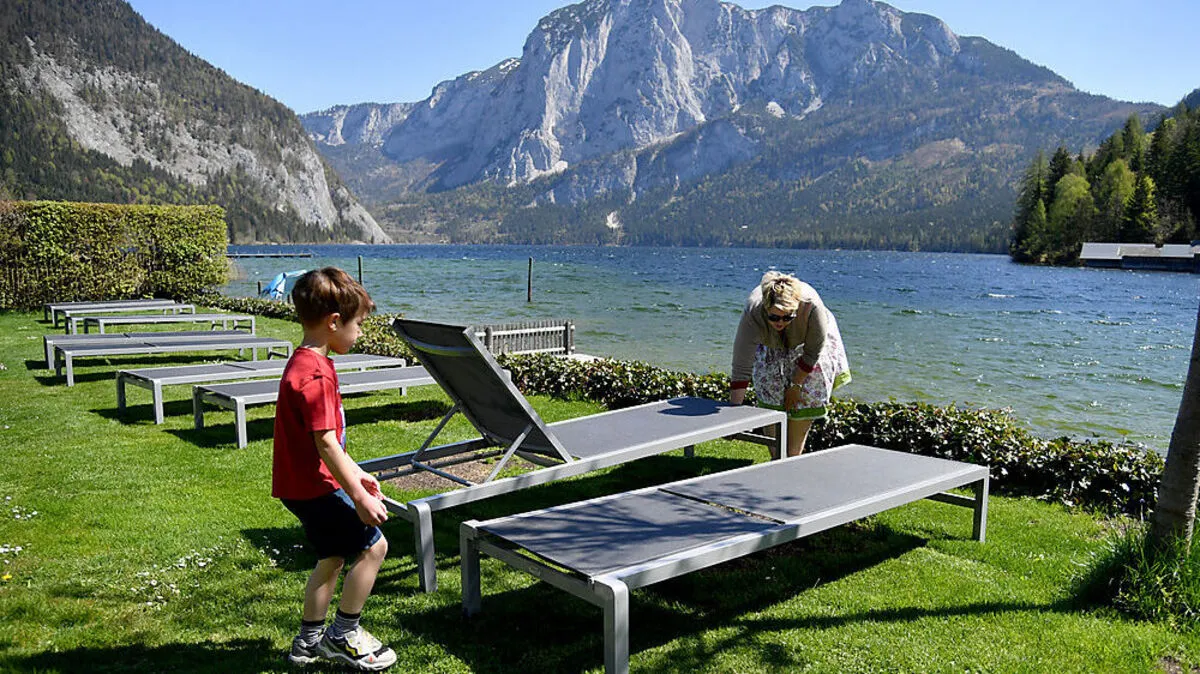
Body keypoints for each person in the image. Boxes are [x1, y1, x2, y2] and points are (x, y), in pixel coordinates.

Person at [274, 267, 396, 671]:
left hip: (300, 485)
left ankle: (306, 644)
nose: (360, 333)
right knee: (373, 546)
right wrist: (358, 496)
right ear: (333, 323)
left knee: (331, 558)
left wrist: (357, 473)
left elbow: (326, 443)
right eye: (358, 324)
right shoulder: (316, 375)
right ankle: (343, 634)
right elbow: (325, 443)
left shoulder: (303, 363)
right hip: (315, 487)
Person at [730, 271, 851, 458]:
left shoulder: (812, 307)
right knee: (769, 395)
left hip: (808, 346)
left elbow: (812, 353)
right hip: (769, 343)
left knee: (803, 403)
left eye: (787, 317)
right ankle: (776, 459)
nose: (780, 322)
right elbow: (741, 365)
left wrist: (796, 385)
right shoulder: (753, 312)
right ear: (765, 310)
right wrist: (733, 414)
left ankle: (792, 460)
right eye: (774, 317)